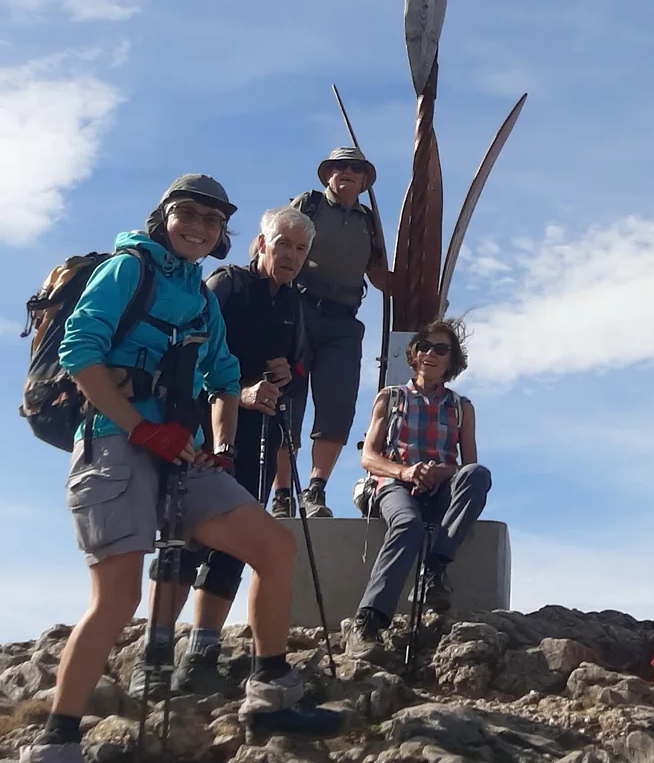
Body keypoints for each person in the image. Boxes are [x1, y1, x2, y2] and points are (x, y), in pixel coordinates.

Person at [21, 176, 338, 763]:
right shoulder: (127, 270)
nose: (198, 226)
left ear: (222, 235)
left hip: (184, 454)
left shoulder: (198, 292)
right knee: (117, 598)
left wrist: (219, 445)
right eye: (186, 213)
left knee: (272, 546)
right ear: (162, 216)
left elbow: (221, 378)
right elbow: (80, 351)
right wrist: (140, 427)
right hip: (114, 445)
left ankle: (269, 694)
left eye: (211, 221)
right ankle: (55, 743)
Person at [127, 205, 317, 694]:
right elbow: (187, 359)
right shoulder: (226, 285)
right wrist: (245, 392)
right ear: (261, 243)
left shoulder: (293, 305)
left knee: (233, 548)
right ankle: (157, 652)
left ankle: (202, 652)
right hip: (199, 431)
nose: (291, 256)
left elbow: (297, 376)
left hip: (256, 437)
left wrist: (282, 378)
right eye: (283, 245)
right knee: (184, 539)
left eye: (301, 249)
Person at [344, 319, 491, 651]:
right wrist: (407, 472)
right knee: (407, 524)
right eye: (424, 346)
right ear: (414, 354)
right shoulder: (390, 397)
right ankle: (368, 621)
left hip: (439, 487)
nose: (430, 354)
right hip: (394, 483)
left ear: (452, 361)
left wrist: (438, 473)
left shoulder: (461, 407)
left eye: (441, 349)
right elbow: (368, 457)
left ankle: (433, 572)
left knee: (479, 476)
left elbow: (467, 465)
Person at [278, 147, 395, 518]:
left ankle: (315, 490)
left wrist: (411, 286)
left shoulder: (368, 220)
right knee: (287, 402)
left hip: (343, 321)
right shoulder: (308, 205)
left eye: (354, 169)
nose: (346, 173)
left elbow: (378, 275)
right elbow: (275, 243)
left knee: (337, 406)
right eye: (339, 167)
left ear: (363, 181)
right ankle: (283, 494)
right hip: (299, 311)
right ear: (328, 174)